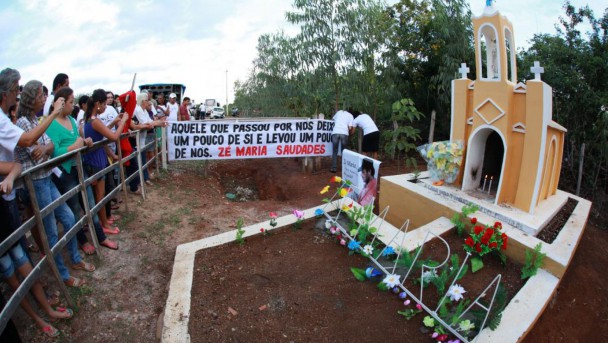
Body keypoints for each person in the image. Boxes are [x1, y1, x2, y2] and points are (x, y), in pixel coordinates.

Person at [14, 80, 95, 283]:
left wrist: (47, 148)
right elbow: (34, 150)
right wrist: (46, 146)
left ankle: (74, 260)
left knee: (68, 219)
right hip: (37, 182)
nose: (44, 99)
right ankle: (63, 274)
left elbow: (46, 145)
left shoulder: (34, 120)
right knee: (51, 231)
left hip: (47, 177)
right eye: (41, 96)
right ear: (32, 99)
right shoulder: (23, 122)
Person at [0, 161, 74, 338]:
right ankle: (37, 319)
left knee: (28, 272)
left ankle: (48, 311)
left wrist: (9, 179)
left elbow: (16, 166)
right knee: (13, 282)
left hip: (5, 226)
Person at [46, 87, 119, 251]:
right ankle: (83, 241)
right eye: (71, 102)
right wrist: (75, 146)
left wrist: (84, 141)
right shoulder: (51, 125)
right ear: (61, 103)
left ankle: (100, 237)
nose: (74, 106)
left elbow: (78, 138)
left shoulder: (71, 120)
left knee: (91, 204)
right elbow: (55, 152)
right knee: (75, 208)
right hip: (66, 172)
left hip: (79, 167)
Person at [82, 89, 129, 235]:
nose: (105, 107)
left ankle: (103, 221)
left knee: (100, 195)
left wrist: (115, 121)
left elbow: (100, 133)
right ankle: (103, 225)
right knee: (100, 196)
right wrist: (123, 122)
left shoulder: (91, 119)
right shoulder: (95, 120)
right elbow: (114, 137)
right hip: (96, 161)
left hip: (97, 159)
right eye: (103, 104)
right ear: (98, 104)